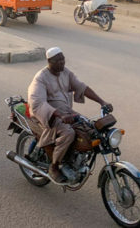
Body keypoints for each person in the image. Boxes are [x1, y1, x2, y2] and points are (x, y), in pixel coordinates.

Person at [27, 47, 111, 183]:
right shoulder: (40, 78)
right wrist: (59, 116)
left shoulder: (65, 73)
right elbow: (38, 103)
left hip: (67, 112)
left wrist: (102, 102)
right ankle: (54, 167)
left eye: (63, 59)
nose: (62, 63)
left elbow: (81, 87)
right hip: (50, 115)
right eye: (58, 60)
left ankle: (73, 159)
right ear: (49, 61)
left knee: (89, 127)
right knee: (68, 133)